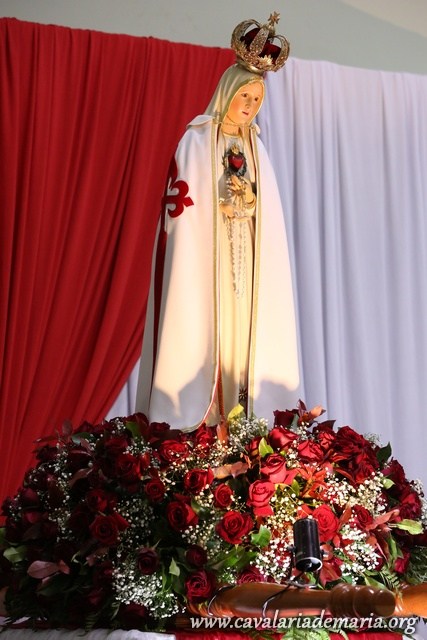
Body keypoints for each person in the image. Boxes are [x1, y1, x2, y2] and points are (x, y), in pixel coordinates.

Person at [136, 14, 300, 431]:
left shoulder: (257, 149)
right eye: (244, 95)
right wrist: (221, 205)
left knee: (244, 338)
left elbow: (269, 215)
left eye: (257, 99)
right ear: (227, 92)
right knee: (211, 332)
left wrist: (249, 203)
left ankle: (243, 420)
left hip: (246, 263)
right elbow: (183, 209)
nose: (249, 106)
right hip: (210, 259)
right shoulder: (196, 140)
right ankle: (207, 419)